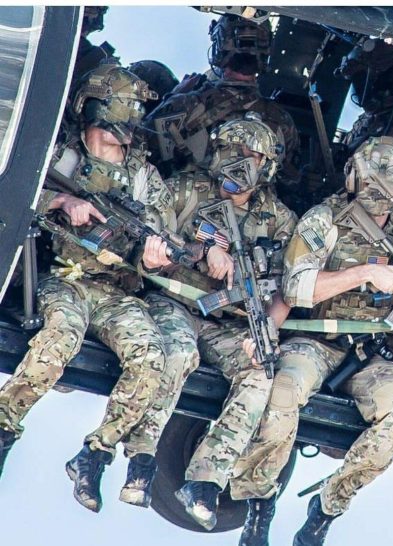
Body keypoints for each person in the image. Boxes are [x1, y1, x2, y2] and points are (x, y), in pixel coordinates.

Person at [230, 137, 393, 546]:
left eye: (388, 188)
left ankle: (326, 507)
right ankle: (259, 500)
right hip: (316, 341)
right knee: (282, 391)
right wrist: (361, 274)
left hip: (376, 352)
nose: (379, 197)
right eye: (374, 184)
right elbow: (296, 287)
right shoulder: (325, 219)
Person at [0, 64, 178, 515]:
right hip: (66, 278)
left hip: (116, 293)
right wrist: (62, 201)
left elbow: (158, 238)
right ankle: (4, 426)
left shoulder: (143, 179)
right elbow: (15, 190)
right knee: (58, 341)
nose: (128, 131)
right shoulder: (59, 158)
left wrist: (152, 256)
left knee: (152, 360)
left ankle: (95, 453)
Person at [122, 114, 297, 524]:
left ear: (267, 165)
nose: (240, 163)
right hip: (176, 304)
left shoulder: (279, 219)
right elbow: (147, 237)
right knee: (177, 354)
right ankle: (142, 460)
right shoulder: (186, 191)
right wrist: (199, 251)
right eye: (232, 153)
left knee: (259, 376)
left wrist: (266, 329)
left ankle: (205, 480)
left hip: (231, 324)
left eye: (251, 156)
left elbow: (287, 288)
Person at [145, 13, 300, 202]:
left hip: (182, 209)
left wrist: (173, 96)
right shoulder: (283, 122)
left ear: (219, 49)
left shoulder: (185, 105)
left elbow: (142, 148)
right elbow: (289, 182)